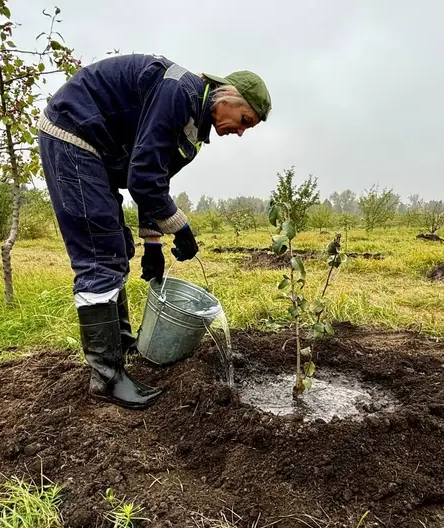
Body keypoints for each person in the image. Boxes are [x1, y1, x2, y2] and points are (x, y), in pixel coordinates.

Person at [37, 53, 271, 410]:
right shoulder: (179, 92)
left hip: (100, 155)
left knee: (117, 250)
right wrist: (182, 227)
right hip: (75, 136)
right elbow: (143, 178)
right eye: (244, 121)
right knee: (101, 257)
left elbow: (151, 179)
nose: (239, 132)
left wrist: (152, 243)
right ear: (227, 98)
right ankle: (106, 376)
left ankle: (122, 343)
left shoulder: (192, 131)